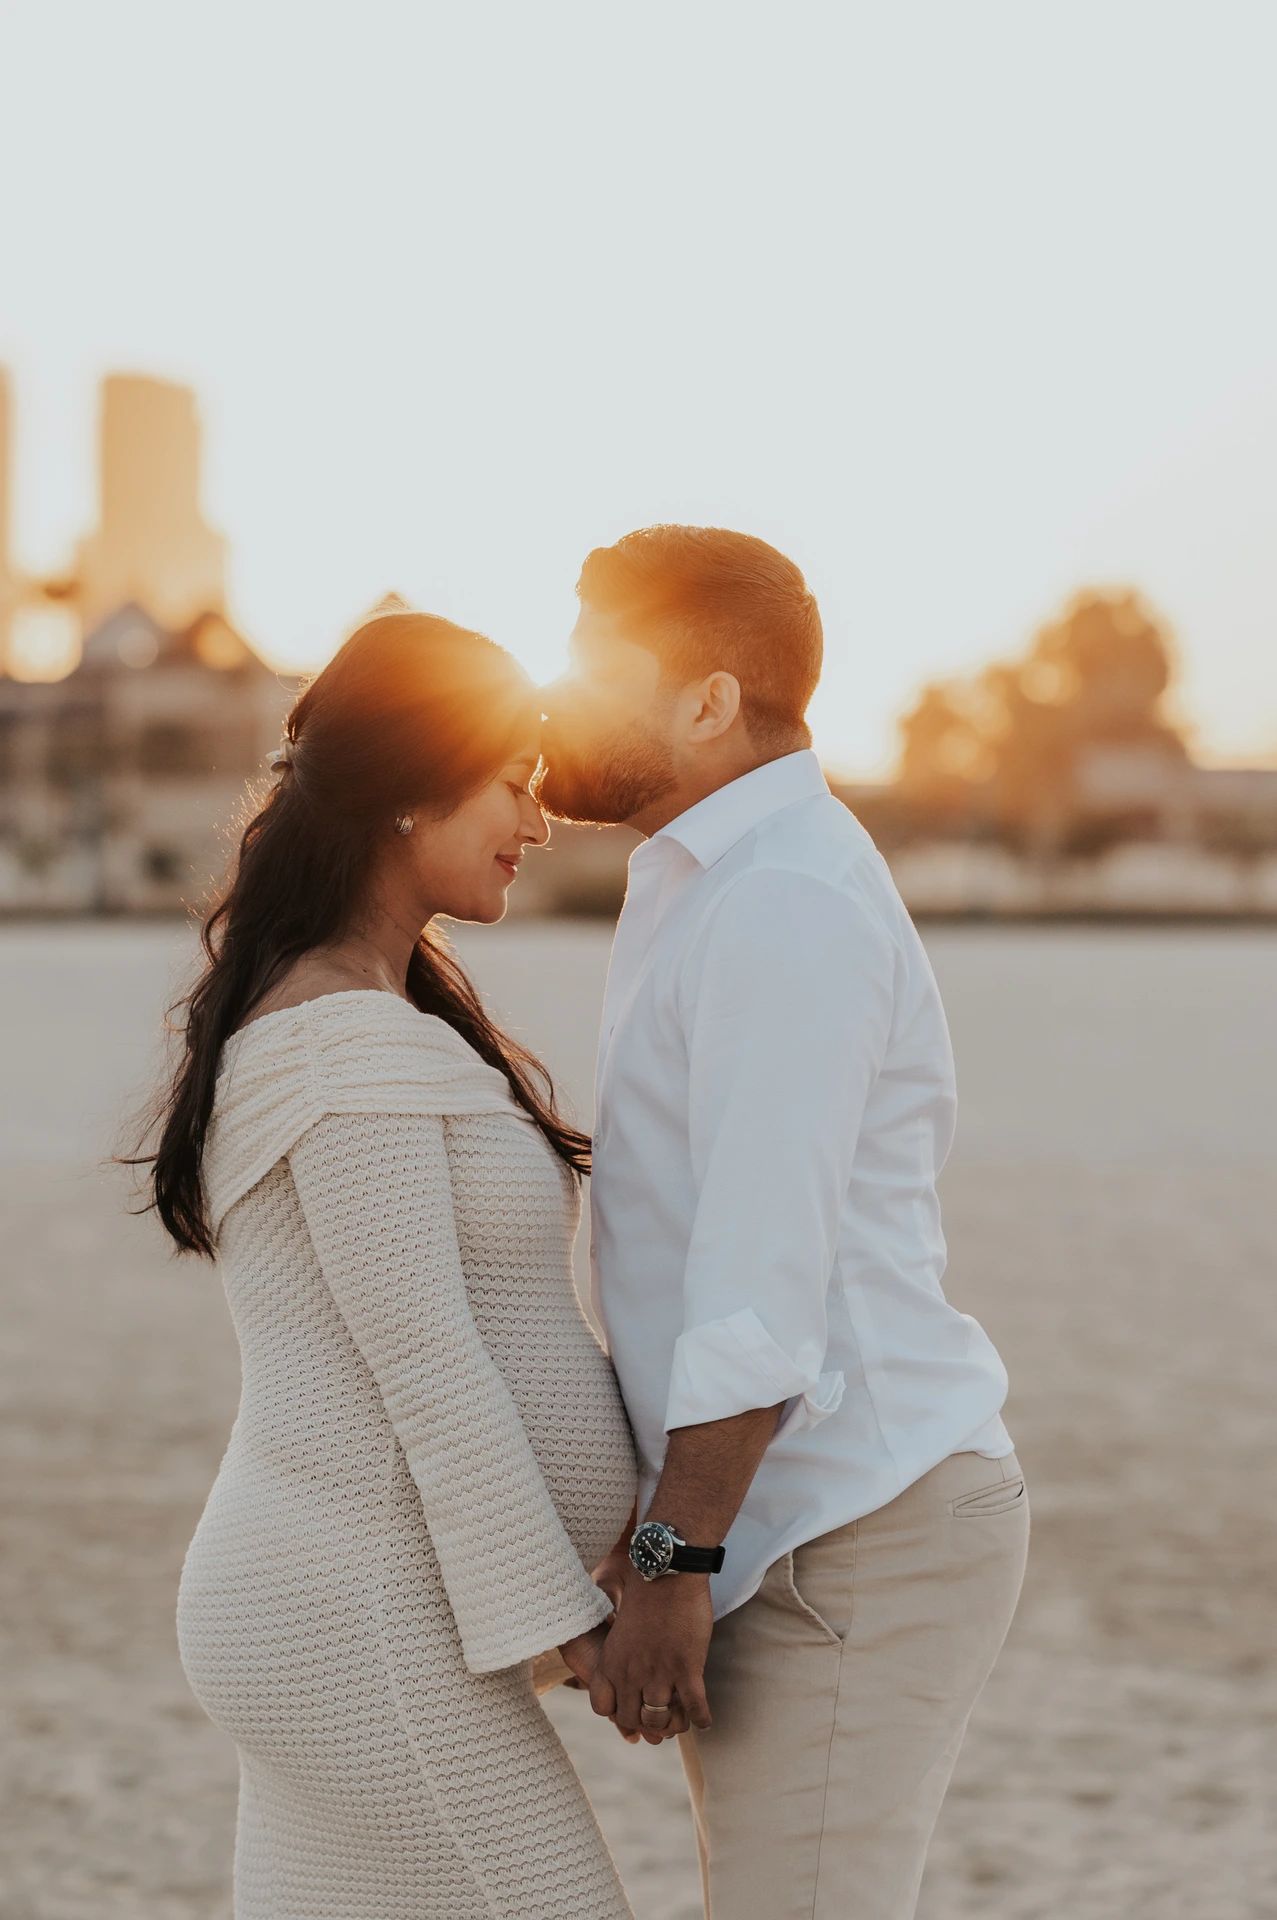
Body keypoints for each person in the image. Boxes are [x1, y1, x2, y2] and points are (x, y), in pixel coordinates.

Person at [539, 526, 1030, 1920]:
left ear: (708, 701)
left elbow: (760, 1290)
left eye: (593, 667)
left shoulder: (781, 904)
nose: (552, 696)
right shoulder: (711, 880)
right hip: (793, 1517)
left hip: (853, 1534)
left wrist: (671, 1563)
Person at [139, 612, 638, 1920]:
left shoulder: (372, 1013)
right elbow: (424, 1362)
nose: (539, 826)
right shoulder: (333, 1045)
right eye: (514, 787)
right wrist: (563, 1619)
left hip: (352, 1597)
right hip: (346, 1615)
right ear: (415, 791)